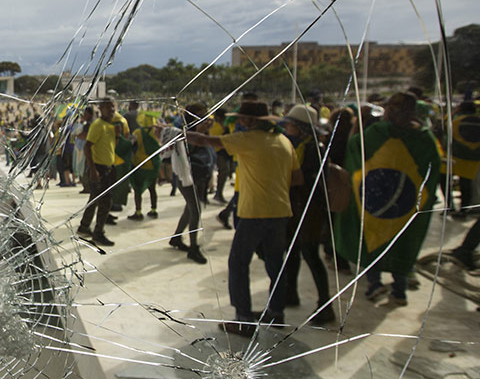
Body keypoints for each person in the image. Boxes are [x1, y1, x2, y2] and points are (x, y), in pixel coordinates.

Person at [188, 101, 299, 335]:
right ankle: (276, 313)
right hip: (280, 211)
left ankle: (244, 320)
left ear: (249, 121)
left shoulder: (247, 139)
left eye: (241, 119)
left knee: (238, 263)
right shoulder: (284, 141)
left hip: (254, 212)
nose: (238, 122)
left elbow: (205, 141)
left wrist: (174, 134)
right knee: (275, 263)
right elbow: (297, 179)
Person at [335, 92, 442, 306]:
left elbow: (355, 149)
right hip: (406, 205)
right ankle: (399, 290)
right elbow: (432, 167)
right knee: (402, 241)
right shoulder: (423, 137)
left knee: (372, 239)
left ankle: (375, 284)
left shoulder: (376, 133)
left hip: (375, 200)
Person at [279, 104, 335, 324]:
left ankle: (325, 305)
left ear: (300, 127)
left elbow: (306, 181)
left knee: (311, 255)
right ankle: (290, 292)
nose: (287, 127)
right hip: (299, 207)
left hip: (309, 209)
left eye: (291, 124)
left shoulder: (312, 149)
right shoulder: (305, 145)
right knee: (292, 252)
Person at [161, 104, 208, 264]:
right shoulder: (183, 131)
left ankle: (176, 237)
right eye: (201, 115)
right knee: (195, 210)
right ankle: (193, 247)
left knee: (190, 209)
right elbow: (187, 149)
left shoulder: (198, 129)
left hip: (198, 173)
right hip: (185, 175)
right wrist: (199, 133)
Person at [77, 98, 119, 247]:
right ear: (101, 109)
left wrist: (118, 135)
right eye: (109, 108)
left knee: (95, 199)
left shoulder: (110, 126)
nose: (112, 111)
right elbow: (87, 147)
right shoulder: (98, 125)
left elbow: (110, 148)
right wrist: (93, 170)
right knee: (105, 203)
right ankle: (98, 233)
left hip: (107, 168)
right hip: (99, 168)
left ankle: (84, 227)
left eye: (113, 108)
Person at [128, 117, 160, 220]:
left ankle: (138, 212)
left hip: (140, 163)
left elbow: (132, 144)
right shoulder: (156, 132)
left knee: (137, 189)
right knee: (152, 189)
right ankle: (154, 210)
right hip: (154, 163)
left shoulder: (137, 132)